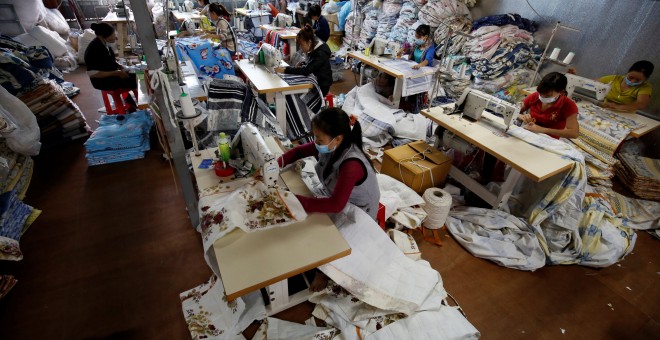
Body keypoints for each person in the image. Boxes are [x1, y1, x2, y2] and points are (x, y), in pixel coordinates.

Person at [276, 108, 380, 291]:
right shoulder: (331, 146)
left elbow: (335, 205)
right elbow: (299, 151)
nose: (315, 142)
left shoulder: (351, 164)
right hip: (339, 198)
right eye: (315, 137)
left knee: (320, 235)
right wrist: (274, 165)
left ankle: (322, 273)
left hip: (357, 213)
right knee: (303, 217)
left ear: (337, 139)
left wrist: (294, 199)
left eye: (319, 139)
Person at [84, 22, 137, 103]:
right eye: (111, 37)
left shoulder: (104, 44)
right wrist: (117, 73)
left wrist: (120, 66)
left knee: (137, 75)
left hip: (111, 75)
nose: (114, 38)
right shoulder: (94, 49)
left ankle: (130, 102)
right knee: (135, 80)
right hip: (102, 81)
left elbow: (110, 60)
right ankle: (133, 103)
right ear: (102, 36)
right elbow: (92, 73)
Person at [274, 24, 333, 95]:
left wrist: (285, 70)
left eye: (302, 45)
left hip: (322, 85)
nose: (301, 48)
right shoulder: (313, 44)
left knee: (293, 92)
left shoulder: (320, 53)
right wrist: (303, 63)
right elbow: (311, 63)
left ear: (309, 42)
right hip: (316, 78)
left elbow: (306, 70)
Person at [518, 72, 579, 139]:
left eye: (548, 96)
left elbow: (574, 133)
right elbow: (516, 110)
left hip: (548, 140)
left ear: (561, 92)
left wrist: (542, 130)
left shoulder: (568, 105)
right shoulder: (536, 96)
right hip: (527, 133)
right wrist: (521, 116)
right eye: (541, 93)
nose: (542, 97)